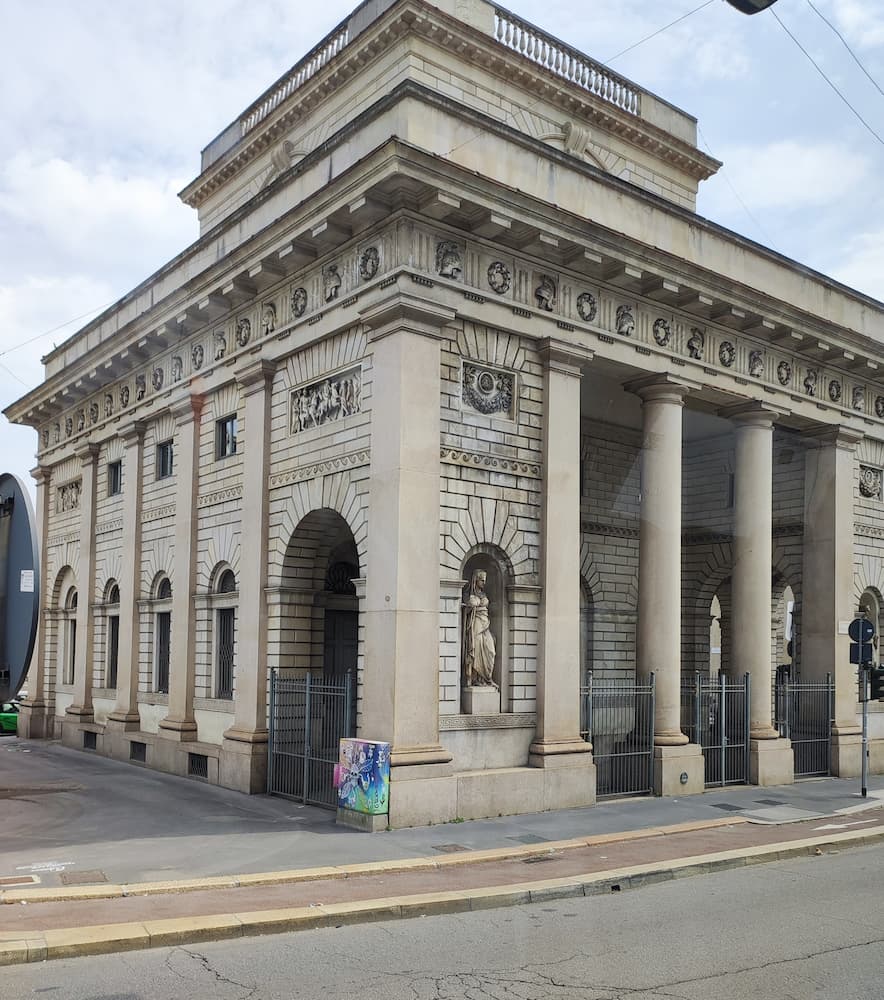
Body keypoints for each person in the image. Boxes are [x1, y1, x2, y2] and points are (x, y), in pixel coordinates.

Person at [463, 569, 497, 687]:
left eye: (484, 580)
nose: (483, 582)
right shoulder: (468, 594)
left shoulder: (484, 595)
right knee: (476, 649)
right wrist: (471, 605)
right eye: (481, 580)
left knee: (490, 650)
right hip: (475, 624)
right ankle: (475, 679)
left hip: (485, 623)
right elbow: (465, 611)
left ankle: (486, 678)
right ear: (475, 580)